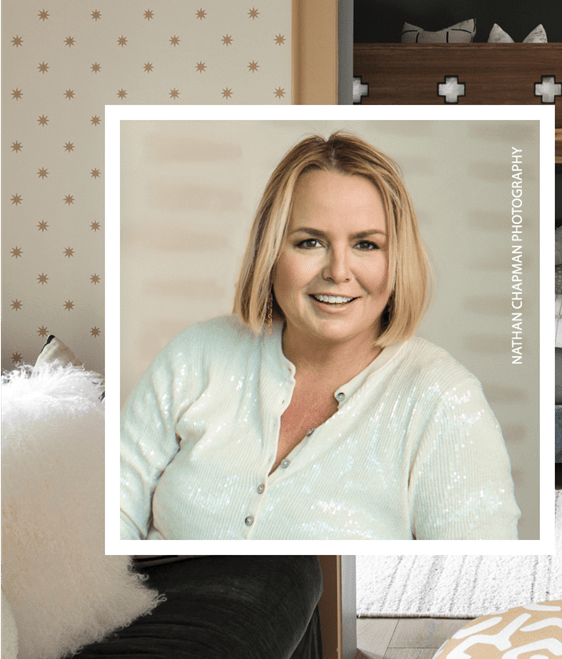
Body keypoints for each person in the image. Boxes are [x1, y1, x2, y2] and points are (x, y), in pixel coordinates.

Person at [120, 131, 520, 540]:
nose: (338, 271)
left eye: (366, 244)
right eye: (310, 242)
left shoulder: (445, 401)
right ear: (271, 251)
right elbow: (112, 513)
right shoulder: (196, 354)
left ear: (396, 260)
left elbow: (475, 573)